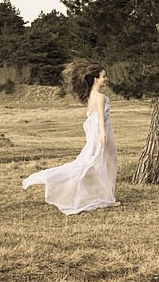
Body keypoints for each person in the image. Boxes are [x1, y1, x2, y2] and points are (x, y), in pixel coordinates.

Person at [22, 58, 118, 214]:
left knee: (99, 163)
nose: (105, 79)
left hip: (97, 133)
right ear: (96, 79)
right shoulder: (99, 97)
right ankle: (104, 196)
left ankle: (107, 196)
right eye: (103, 76)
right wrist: (103, 133)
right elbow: (100, 117)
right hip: (102, 133)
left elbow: (91, 115)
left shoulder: (90, 96)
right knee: (100, 163)